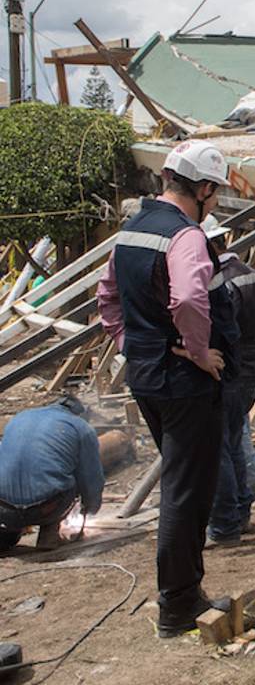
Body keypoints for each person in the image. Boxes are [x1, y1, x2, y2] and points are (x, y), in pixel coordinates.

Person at [96, 139, 239, 638]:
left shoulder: (131, 232)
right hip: (183, 382)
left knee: (182, 482)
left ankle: (185, 594)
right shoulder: (186, 237)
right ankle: (177, 605)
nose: (215, 202)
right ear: (201, 188)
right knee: (186, 490)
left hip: (146, 376)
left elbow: (107, 298)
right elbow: (188, 299)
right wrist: (199, 352)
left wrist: (132, 343)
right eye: (215, 193)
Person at [202, 216, 255, 546]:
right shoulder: (253, 275)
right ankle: (241, 513)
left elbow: (219, 331)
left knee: (219, 448)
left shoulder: (220, 282)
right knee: (234, 440)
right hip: (249, 368)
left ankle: (226, 523)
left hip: (226, 369)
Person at [0, 396, 104, 552]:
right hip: (47, 508)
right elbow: (91, 477)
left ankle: (8, 532)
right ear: (78, 413)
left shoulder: (19, 418)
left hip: (4, 508)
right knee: (73, 475)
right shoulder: (81, 427)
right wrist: (90, 507)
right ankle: (49, 533)